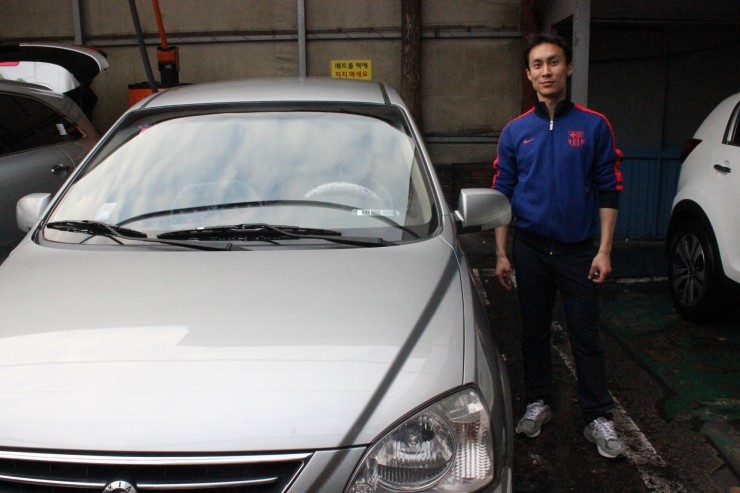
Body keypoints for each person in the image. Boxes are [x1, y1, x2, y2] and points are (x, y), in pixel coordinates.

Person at [491, 32, 625, 459]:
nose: (546, 71)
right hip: (530, 248)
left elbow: (608, 187)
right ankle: (538, 401)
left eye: (553, 62)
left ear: (568, 67)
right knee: (533, 331)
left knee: (585, 333)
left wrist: (604, 250)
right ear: (528, 74)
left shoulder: (593, 125)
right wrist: (502, 253)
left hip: (578, 250)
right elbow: (502, 192)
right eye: (538, 65)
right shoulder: (516, 131)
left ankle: (597, 416)